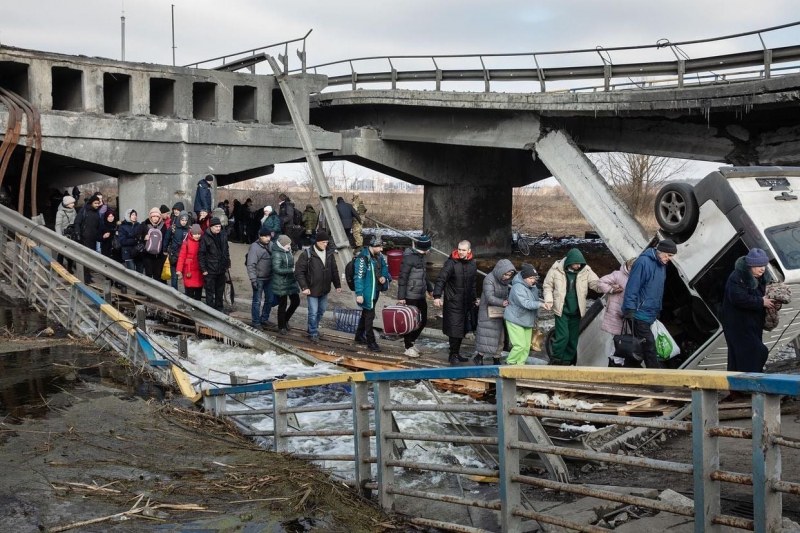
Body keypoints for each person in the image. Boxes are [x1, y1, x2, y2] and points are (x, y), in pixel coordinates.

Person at [622, 239, 678, 369]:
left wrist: (658, 309)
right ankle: (655, 381)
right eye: (668, 255)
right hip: (639, 313)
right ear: (661, 251)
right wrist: (629, 309)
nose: (669, 259)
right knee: (650, 347)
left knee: (642, 348)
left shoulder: (661, 265)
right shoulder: (643, 262)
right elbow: (632, 287)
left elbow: (657, 290)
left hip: (650, 313)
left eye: (671, 256)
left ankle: (629, 373)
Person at [542, 248, 601, 366]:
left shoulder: (586, 270)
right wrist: (548, 300)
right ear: (569, 262)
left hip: (577, 311)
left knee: (573, 338)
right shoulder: (556, 269)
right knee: (563, 336)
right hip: (561, 310)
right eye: (576, 263)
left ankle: (567, 361)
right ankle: (556, 359)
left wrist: (609, 287)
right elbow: (547, 286)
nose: (579, 266)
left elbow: (596, 284)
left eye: (580, 264)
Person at [722, 248, 775, 373]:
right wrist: (761, 302)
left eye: (763, 265)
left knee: (742, 356)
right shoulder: (737, 277)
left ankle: (739, 389)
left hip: (753, 323)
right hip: (737, 324)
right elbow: (737, 298)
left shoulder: (761, 278)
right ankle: (748, 385)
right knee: (756, 352)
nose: (762, 268)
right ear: (750, 265)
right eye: (758, 265)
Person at [433, 240, 478, 365]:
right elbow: (441, 279)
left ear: (469, 251)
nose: (461, 252)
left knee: (462, 329)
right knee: (454, 329)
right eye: (459, 249)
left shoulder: (473, 264)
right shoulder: (451, 263)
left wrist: (474, 298)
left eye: (464, 250)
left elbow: (473, 283)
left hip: (466, 302)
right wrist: (437, 296)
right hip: (453, 301)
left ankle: (456, 353)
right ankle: (452, 355)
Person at [294, 230, 342, 342]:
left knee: (322, 310)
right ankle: (313, 332)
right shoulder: (307, 254)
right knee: (313, 312)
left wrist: (337, 285)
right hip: (312, 288)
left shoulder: (329, 254)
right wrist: (304, 287)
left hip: (324, 288)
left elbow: (334, 270)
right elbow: (299, 271)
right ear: (317, 242)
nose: (326, 244)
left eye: (327, 242)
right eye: (324, 242)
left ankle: (312, 327)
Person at [397, 234, 434, 358]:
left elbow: (424, 275)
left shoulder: (422, 257)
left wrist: (430, 289)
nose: (430, 250)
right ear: (425, 247)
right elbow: (402, 278)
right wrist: (401, 297)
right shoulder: (409, 259)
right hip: (410, 295)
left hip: (420, 295)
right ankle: (408, 346)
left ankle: (411, 342)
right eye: (429, 247)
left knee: (422, 321)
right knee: (410, 322)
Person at [474, 259, 516, 365]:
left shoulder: (505, 282)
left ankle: (496, 357)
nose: (507, 277)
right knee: (486, 335)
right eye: (505, 274)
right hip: (487, 311)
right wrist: (503, 303)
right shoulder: (489, 279)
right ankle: (479, 356)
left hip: (499, 311)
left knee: (500, 337)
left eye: (509, 275)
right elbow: (489, 297)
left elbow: (506, 294)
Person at [597, 258, 637, 367]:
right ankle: (615, 362)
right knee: (616, 340)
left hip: (628, 314)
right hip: (615, 314)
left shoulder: (638, 277)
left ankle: (620, 362)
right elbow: (601, 282)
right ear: (627, 266)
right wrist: (611, 289)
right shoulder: (618, 275)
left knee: (625, 340)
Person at [353, 235, 390, 352]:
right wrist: (359, 294)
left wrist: (384, 276)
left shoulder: (380, 257)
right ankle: (371, 342)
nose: (382, 250)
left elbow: (385, 268)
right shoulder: (363, 258)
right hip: (368, 292)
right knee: (370, 316)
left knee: (366, 313)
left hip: (376, 290)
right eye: (379, 247)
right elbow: (359, 277)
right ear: (373, 246)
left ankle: (359, 336)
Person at [504, 264, 542, 365]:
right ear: (524, 277)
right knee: (519, 345)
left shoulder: (532, 287)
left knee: (526, 346)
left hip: (527, 319)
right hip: (515, 319)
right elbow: (526, 303)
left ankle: (520, 365)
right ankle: (510, 363)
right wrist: (541, 304)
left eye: (534, 278)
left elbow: (535, 300)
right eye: (530, 278)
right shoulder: (517, 287)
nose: (533, 280)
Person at [199, 217, 230, 312]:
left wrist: (227, 263)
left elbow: (226, 250)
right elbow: (201, 254)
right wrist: (203, 269)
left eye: (219, 226)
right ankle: (210, 310)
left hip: (221, 268)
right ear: (211, 227)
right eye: (216, 226)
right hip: (210, 269)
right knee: (209, 291)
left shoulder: (223, 236)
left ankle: (219, 308)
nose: (218, 228)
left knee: (220, 291)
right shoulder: (205, 237)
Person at [272, 234, 300, 334]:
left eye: (290, 244)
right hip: (281, 282)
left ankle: (286, 319)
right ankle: (281, 326)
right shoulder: (277, 254)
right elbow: (277, 269)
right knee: (282, 304)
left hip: (290, 281)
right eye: (288, 244)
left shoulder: (288, 251)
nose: (289, 246)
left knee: (296, 301)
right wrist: (291, 270)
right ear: (282, 244)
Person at [246, 228, 274, 329]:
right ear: (260, 236)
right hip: (259, 278)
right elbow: (251, 265)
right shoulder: (254, 247)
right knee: (257, 301)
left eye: (269, 236)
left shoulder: (271, 245)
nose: (268, 238)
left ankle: (264, 319)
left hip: (269, 278)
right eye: (265, 236)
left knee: (270, 299)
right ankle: (256, 321)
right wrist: (253, 280)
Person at [73, 193, 103, 283]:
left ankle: (88, 275)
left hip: (93, 239)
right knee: (85, 258)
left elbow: (98, 226)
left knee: (90, 258)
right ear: (91, 203)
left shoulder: (97, 213)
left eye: (98, 203)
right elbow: (77, 222)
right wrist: (78, 233)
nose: (97, 205)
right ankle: (85, 277)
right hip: (84, 238)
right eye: (96, 203)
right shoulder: (84, 211)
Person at [138, 207, 169, 282]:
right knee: (148, 274)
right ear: (150, 216)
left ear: (159, 217)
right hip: (147, 254)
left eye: (157, 216)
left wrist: (165, 251)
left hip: (159, 255)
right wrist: (143, 238)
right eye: (153, 216)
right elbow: (138, 236)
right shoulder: (144, 224)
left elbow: (165, 239)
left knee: (157, 275)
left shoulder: (163, 226)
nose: (155, 218)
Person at [176, 224, 204, 301]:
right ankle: (190, 308)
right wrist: (179, 270)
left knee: (198, 292)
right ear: (191, 233)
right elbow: (181, 257)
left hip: (199, 271)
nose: (197, 236)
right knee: (189, 293)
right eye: (195, 234)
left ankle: (198, 308)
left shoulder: (202, 242)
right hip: (189, 271)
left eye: (199, 234)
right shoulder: (186, 243)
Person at [166, 211, 191, 289]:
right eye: (182, 220)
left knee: (185, 276)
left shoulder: (189, 230)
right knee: (174, 276)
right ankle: (174, 293)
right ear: (179, 219)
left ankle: (186, 294)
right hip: (174, 255)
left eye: (185, 220)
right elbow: (166, 239)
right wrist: (165, 250)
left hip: (185, 256)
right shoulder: (173, 228)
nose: (184, 222)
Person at [54, 194, 76, 272]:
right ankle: (60, 270)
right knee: (61, 253)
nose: (73, 204)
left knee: (71, 253)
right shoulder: (60, 212)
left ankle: (69, 269)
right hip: (63, 235)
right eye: (72, 203)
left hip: (71, 234)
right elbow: (58, 225)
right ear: (67, 204)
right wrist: (60, 237)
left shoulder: (73, 210)